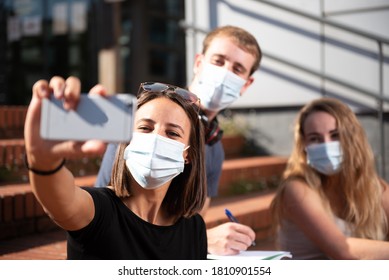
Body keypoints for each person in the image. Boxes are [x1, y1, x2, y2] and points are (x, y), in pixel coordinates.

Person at [94, 25, 262, 255]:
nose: (225, 73)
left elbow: (192, 218)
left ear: (246, 84)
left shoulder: (214, 147)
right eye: (219, 60)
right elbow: (105, 216)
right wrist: (201, 240)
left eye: (238, 68)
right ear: (198, 63)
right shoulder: (145, 122)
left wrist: (196, 239)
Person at [24, 77, 208, 259]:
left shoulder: (194, 228)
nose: (156, 138)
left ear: (188, 155)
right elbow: (60, 202)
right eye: (145, 128)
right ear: (127, 139)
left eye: (173, 133)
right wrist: (42, 160)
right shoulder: (98, 211)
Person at [270, 97, 389, 259]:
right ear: (304, 145)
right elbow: (342, 250)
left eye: (335, 135)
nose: (326, 145)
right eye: (315, 138)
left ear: (353, 138)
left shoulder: (374, 187)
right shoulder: (297, 188)